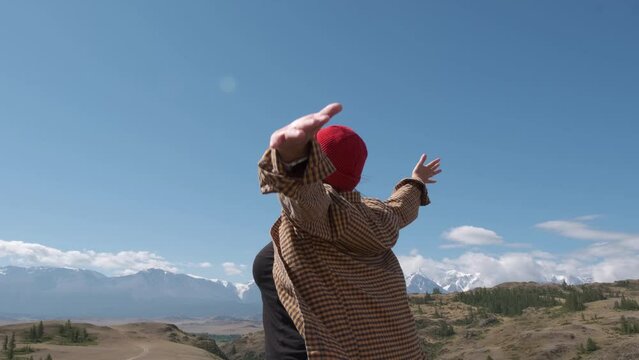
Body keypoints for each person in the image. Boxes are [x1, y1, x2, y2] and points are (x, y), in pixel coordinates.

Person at [254, 103, 441, 359]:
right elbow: (401, 206)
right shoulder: (378, 216)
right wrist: (416, 180)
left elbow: (307, 198)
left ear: (316, 165)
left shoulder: (317, 217)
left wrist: (293, 162)